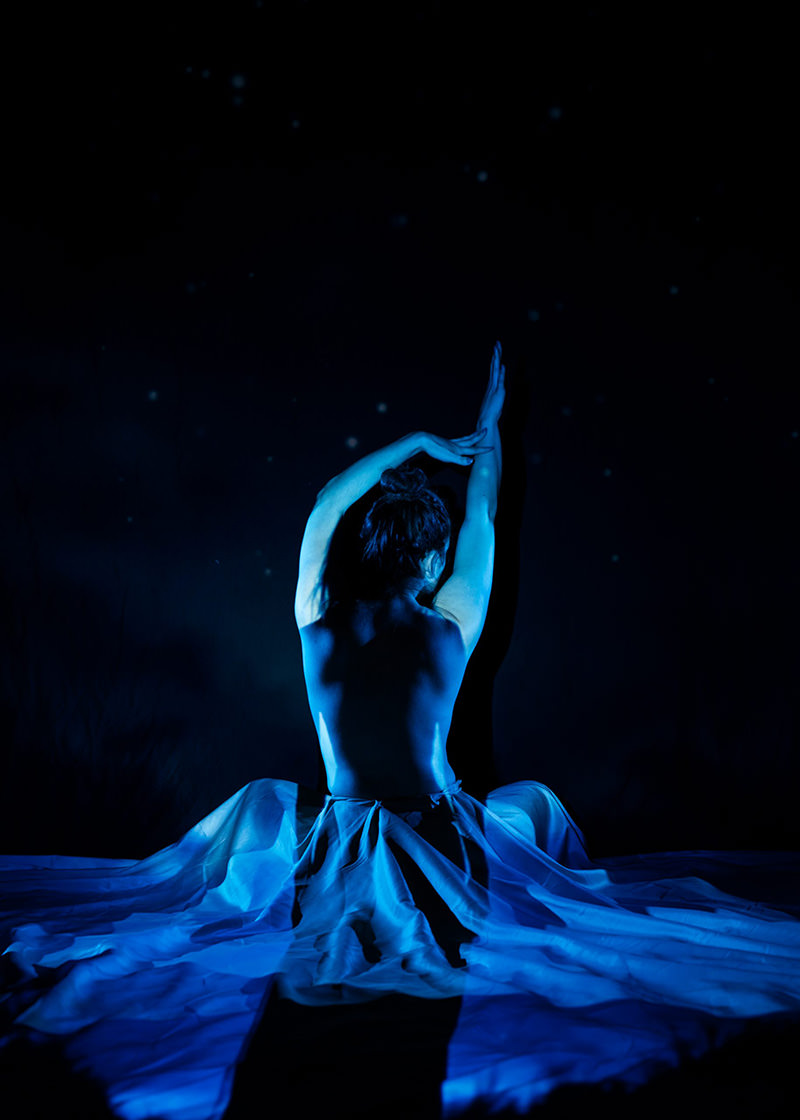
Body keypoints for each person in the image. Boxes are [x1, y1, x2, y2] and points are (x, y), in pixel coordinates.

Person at [2, 342, 800, 1120]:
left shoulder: (319, 617)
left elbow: (326, 501)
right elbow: (483, 506)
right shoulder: (450, 624)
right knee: (533, 809)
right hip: (437, 830)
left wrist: (413, 442)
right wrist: (487, 426)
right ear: (431, 556)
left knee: (276, 829)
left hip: (343, 834)